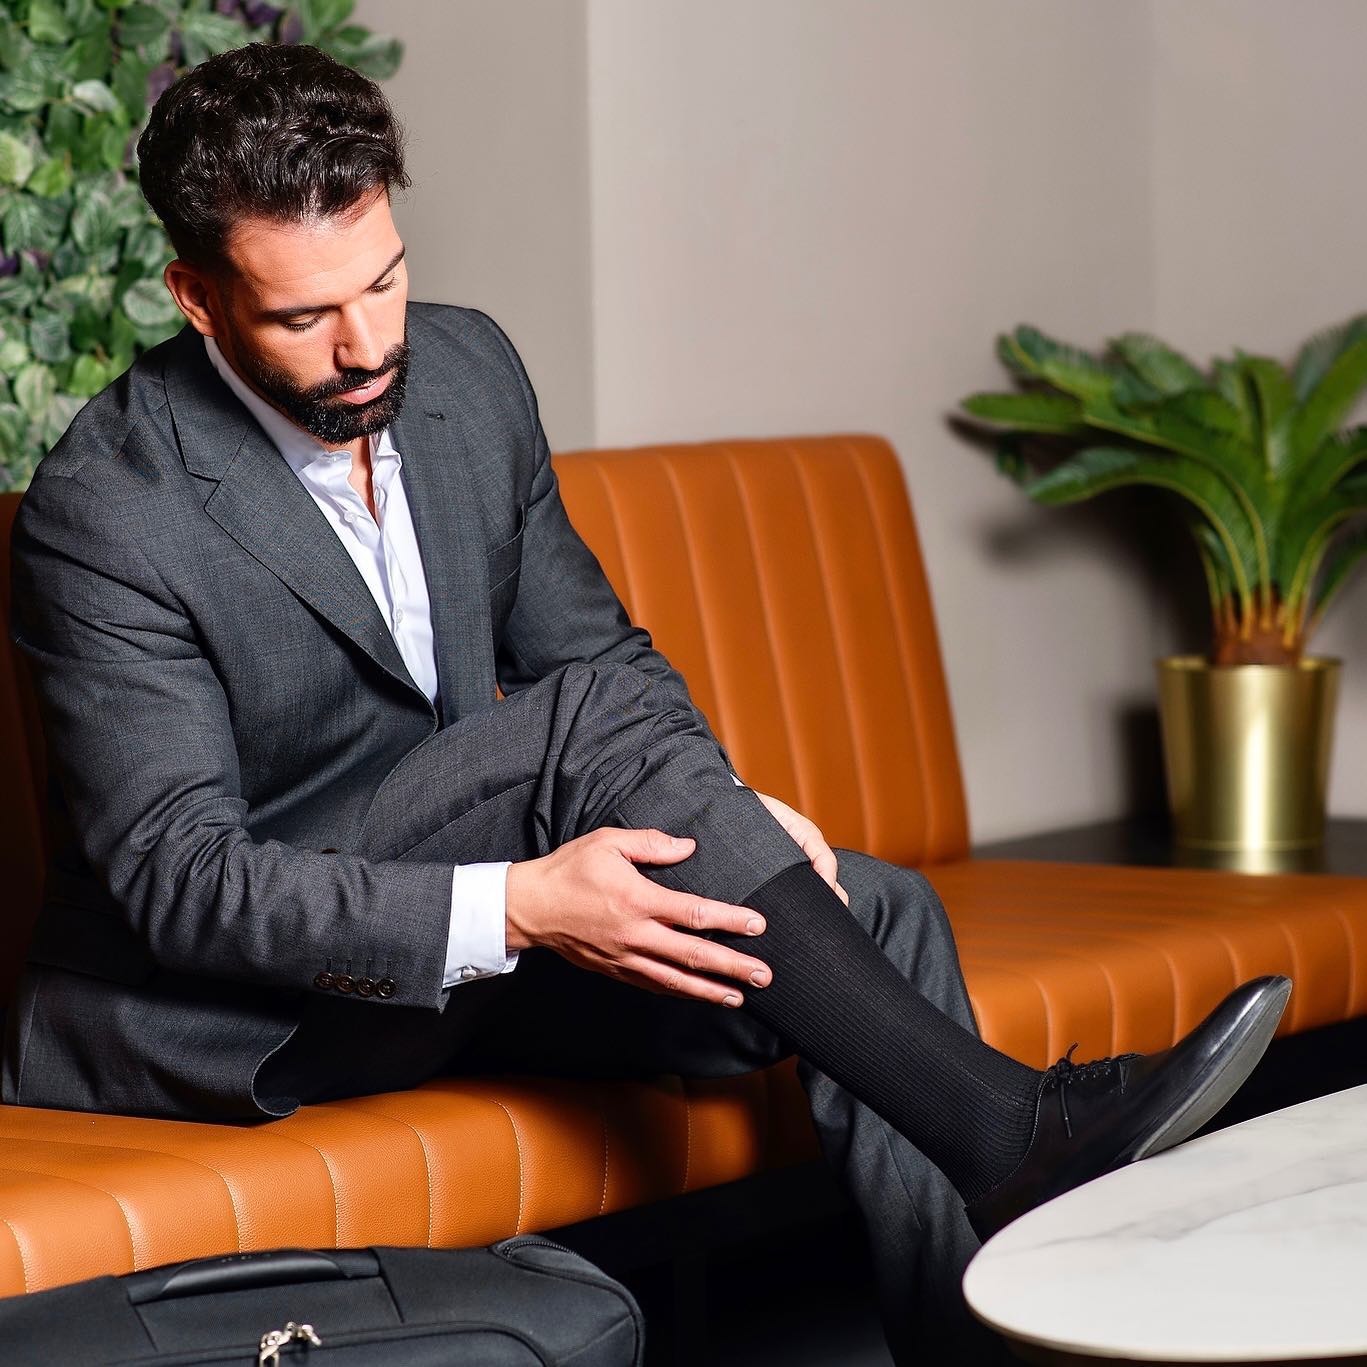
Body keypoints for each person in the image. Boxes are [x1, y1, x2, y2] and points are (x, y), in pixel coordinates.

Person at [3, 43, 1288, 1363]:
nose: (369, 345)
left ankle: (979, 1321)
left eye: (385, 280)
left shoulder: (469, 375)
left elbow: (599, 655)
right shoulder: (111, 508)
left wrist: (729, 818)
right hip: (246, 1013)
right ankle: (1013, 1129)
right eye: (303, 317)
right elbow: (183, 881)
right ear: (197, 299)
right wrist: (524, 906)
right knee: (576, 732)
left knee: (881, 911)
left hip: (461, 969)